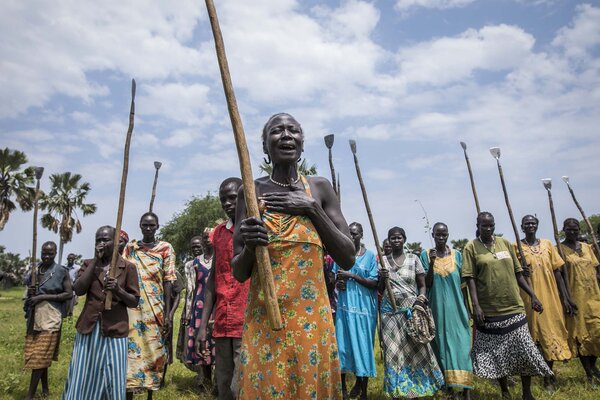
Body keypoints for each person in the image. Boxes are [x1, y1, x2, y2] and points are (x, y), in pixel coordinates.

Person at [232, 113, 355, 399]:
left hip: (312, 322)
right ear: (265, 146)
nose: (286, 135)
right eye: (277, 131)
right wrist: (251, 245)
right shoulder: (249, 193)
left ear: (301, 144)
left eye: (293, 130)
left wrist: (312, 209)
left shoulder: (319, 189)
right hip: (266, 321)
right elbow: (239, 272)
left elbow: (347, 257)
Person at [462, 212, 552, 400]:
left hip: (514, 306)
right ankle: (505, 391)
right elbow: (470, 279)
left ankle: (527, 392)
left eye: (491, 225)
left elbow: (518, 273)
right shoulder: (471, 247)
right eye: (484, 226)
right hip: (490, 310)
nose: (488, 229)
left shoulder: (505, 243)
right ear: (477, 225)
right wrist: (476, 306)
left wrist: (532, 295)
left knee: (524, 349)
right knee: (498, 354)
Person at [62, 226, 140, 399]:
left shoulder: (127, 267)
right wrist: (95, 262)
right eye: (98, 240)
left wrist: (118, 290)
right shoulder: (88, 264)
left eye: (106, 239)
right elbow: (79, 289)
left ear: (115, 242)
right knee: (84, 370)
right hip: (89, 327)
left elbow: (134, 301)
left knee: (112, 372)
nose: (101, 243)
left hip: (115, 328)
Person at [198, 177, 248, 400]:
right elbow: (213, 279)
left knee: (243, 385)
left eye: (232, 198)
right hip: (222, 322)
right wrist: (202, 325)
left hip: (246, 321)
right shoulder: (218, 233)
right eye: (223, 200)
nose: (227, 204)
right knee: (224, 385)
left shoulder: (253, 228)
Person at [379, 226, 443, 398]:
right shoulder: (383, 261)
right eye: (392, 238)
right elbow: (380, 288)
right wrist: (382, 277)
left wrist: (420, 299)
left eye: (399, 237)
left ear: (404, 239)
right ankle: (396, 391)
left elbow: (422, 285)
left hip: (410, 312)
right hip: (389, 313)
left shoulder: (413, 258)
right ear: (389, 240)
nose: (396, 240)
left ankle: (413, 391)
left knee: (414, 352)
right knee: (393, 352)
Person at [517, 215, 574, 389]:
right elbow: (515, 274)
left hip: (550, 296)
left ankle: (549, 375)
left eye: (533, 223)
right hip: (529, 298)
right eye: (527, 223)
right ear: (522, 227)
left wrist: (565, 297)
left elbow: (557, 272)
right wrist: (522, 270)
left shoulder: (547, 244)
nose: (530, 225)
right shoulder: (516, 247)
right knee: (535, 337)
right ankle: (541, 373)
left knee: (551, 333)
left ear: (537, 225)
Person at [125, 212, 176, 399]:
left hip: (156, 307)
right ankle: (129, 390)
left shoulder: (165, 248)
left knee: (154, 351)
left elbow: (169, 280)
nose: (148, 228)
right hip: (132, 308)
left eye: (152, 225)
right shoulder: (131, 249)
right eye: (145, 225)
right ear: (140, 226)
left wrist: (169, 314)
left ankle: (150, 393)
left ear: (157, 227)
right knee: (132, 351)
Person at [420, 222, 473, 399]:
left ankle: (465, 387)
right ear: (433, 235)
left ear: (448, 235)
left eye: (444, 234)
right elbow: (426, 284)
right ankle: (448, 387)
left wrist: (468, 308)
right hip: (436, 310)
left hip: (457, 309)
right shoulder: (425, 255)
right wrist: (432, 261)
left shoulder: (458, 256)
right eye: (437, 234)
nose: (441, 237)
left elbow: (463, 286)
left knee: (462, 344)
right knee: (440, 346)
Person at [334, 222, 378, 400]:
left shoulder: (370, 257)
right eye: (349, 233)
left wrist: (351, 276)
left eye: (354, 233)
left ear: (361, 235)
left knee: (363, 349)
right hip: (344, 308)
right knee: (342, 348)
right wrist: (339, 281)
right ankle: (342, 389)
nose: (351, 236)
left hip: (364, 310)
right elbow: (336, 280)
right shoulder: (341, 256)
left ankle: (363, 392)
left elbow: (374, 283)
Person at [24, 241, 72, 400]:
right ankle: (45, 390)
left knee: (39, 355)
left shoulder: (61, 271)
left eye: (50, 254)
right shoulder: (35, 270)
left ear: (56, 253)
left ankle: (30, 396)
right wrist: (32, 293)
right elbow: (29, 292)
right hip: (34, 316)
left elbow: (68, 294)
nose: (46, 256)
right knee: (40, 354)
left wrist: (43, 296)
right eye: (44, 253)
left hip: (50, 317)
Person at [560, 218, 600, 383]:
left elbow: (596, 270)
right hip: (575, 298)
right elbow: (560, 276)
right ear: (564, 229)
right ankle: (589, 373)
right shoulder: (559, 249)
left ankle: (593, 366)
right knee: (581, 334)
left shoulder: (586, 247)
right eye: (569, 229)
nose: (573, 232)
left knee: (596, 332)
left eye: (575, 229)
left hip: (594, 296)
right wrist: (566, 298)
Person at [183, 230, 215, 392]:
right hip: (200, 306)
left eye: (211, 236)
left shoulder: (222, 258)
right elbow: (191, 289)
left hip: (218, 305)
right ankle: (207, 380)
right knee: (203, 343)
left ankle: (219, 382)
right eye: (205, 238)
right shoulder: (195, 263)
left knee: (217, 344)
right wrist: (188, 312)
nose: (208, 240)